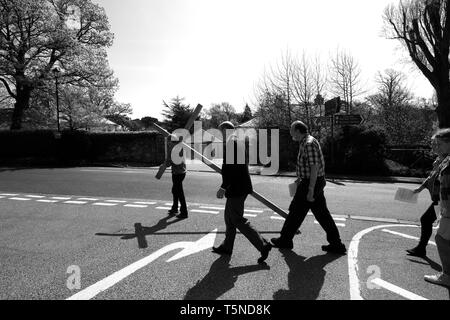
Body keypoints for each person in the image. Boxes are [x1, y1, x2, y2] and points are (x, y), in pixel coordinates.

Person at [271, 121, 346, 254]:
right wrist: (299, 179)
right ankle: (336, 244)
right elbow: (307, 166)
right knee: (322, 214)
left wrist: (311, 189)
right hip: (310, 182)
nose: (290, 132)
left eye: (291, 129)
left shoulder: (309, 144)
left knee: (295, 212)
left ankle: (285, 240)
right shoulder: (305, 142)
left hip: (312, 183)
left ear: (298, 131)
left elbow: (314, 167)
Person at [213, 121, 272, 264]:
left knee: (237, 219)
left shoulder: (232, 144)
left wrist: (223, 187)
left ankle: (263, 245)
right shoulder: (234, 142)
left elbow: (231, 170)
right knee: (229, 218)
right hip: (238, 187)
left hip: (236, 188)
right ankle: (227, 247)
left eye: (221, 131)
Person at [408, 137, 443, 257]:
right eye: (433, 143)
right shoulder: (440, 159)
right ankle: (421, 249)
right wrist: (420, 188)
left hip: (444, 201)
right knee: (426, 220)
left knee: (427, 220)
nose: (433, 146)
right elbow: (431, 177)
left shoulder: (446, 160)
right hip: (440, 200)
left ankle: (421, 249)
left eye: (436, 144)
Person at [424, 128, 450, 288]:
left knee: (441, 239)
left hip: (449, 210)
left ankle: (447, 276)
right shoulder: (446, 159)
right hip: (445, 208)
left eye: (440, 144)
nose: (436, 147)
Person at [165, 134, 188, 219]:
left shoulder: (175, 149)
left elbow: (174, 161)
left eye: (168, 141)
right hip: (180, 172)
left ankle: (184, 212)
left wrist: (167, 163)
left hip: (178, 173)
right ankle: (175, 208)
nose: (167, 143)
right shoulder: (178, 147)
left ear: (172, 141)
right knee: (175, 190)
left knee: (179, 192)